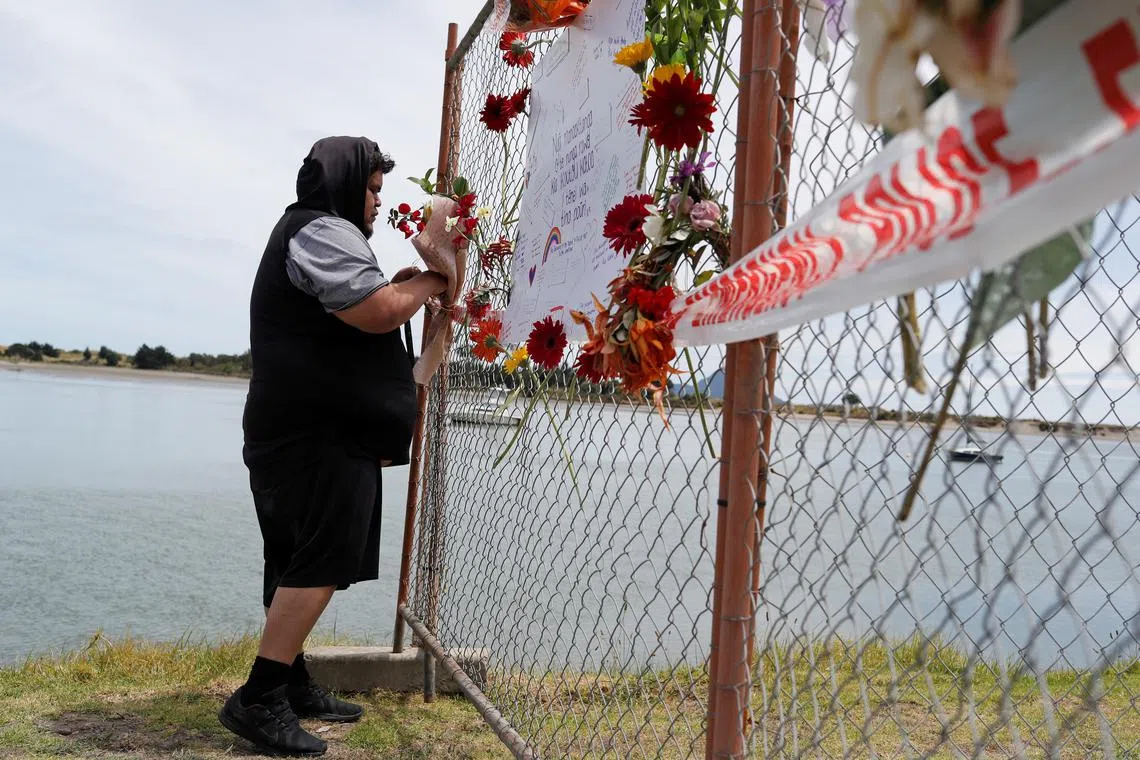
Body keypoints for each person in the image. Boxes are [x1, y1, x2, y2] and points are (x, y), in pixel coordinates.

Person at [218, 135, 448, 756]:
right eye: (372, 188)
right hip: (316, 434)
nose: (377, 202)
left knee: (293, 556)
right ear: (344, 182)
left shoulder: (311, 231)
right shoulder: (322, 229)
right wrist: (433, 279)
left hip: (296, 430)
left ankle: (290, 682)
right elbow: (374, 311)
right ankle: (260, 697)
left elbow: (357, 308)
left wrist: (404, 286)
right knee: (320, 557)